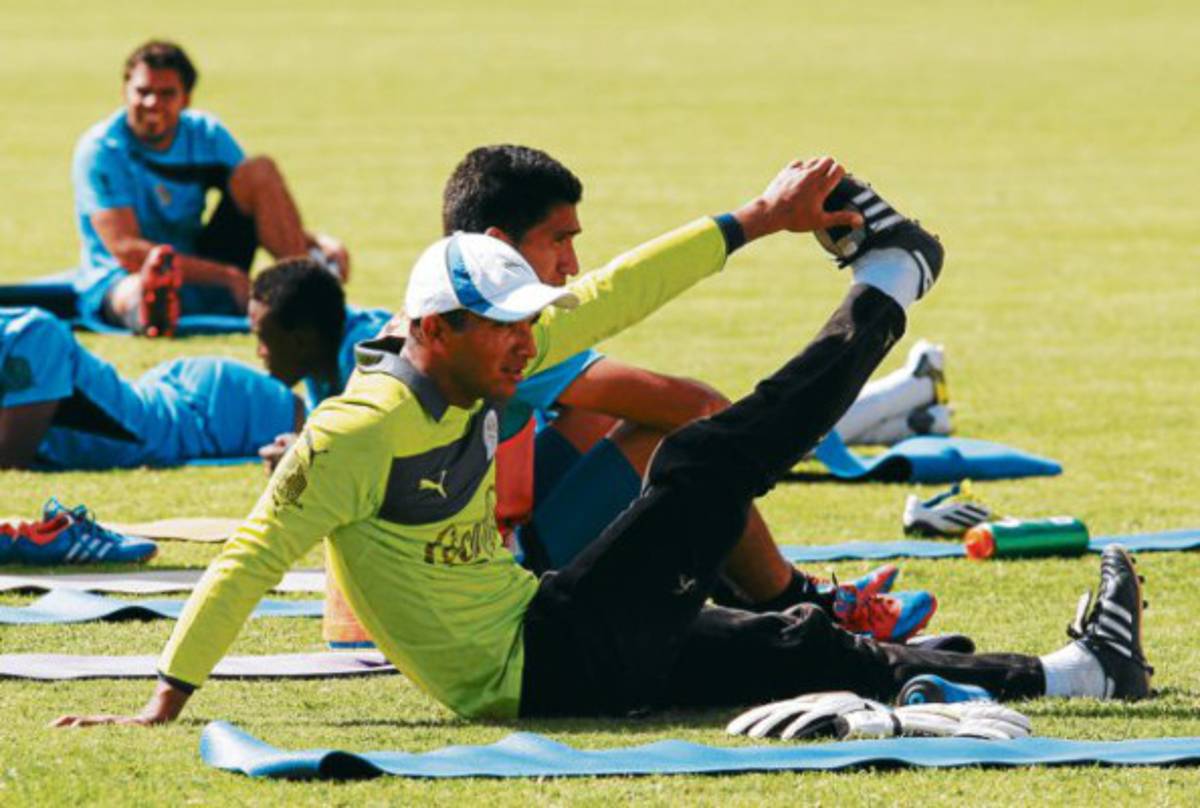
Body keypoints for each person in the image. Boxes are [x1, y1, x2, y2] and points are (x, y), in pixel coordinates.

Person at [52, 157, 1152, 729]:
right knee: (699, 461)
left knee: (804, 654)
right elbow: (250, 555)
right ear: (436, 330)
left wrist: (752, 222)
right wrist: (162, 695)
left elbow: (615, 292)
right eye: (507, 328)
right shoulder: (360, 428)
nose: (529, 343)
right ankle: (889, 289)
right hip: (541, 667)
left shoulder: (493, 356)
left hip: (561, 627)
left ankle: (1074, 675)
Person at [439, 145, 929, 637]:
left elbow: (615, 292)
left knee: (600, 416)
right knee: (689, 433)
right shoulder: (498, 339)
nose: (571, 263)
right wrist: (763, 215)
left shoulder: (466, 317)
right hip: (506, 596)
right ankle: (793, 600)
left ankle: (744, 585)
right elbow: (675, 376)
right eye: (559, 240)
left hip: (476, 558)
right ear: (499, 245)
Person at [71, 40, 349, 333]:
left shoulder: (206, 135)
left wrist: (318, 244)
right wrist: (227, 276)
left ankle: (307, 295)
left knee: (260, 171)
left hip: (198, 263)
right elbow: (126, 249)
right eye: (143, 92)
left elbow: (262, 203)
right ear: (125, 92)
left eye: (166, 94)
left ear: (186, 99)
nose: (153, 103)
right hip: (124, 274)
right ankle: (153, 310)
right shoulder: (101, 150)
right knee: (134, 292)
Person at [0, 306, 301, 470]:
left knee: (324, 432)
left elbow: (12, 456)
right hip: (169, 395)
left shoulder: (31, 336)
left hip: (198, 414)